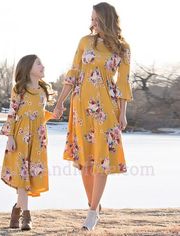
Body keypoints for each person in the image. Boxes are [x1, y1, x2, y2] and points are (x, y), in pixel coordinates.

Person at [54, 2, 133, 231]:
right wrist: (60, 102)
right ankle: (94, 206)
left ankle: (91, 212)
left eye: (97, 19)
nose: (93, 23)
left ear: (107, 19)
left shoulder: (122, 47)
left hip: (106, 107)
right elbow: (73, 73)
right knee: (85, 160)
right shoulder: (85, 41)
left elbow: (123, 82)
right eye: (91, 19)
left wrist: (123, 113)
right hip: (81, 106)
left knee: (102, 159)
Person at [0, 54, 55, 231]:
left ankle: (17, 209)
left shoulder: (44, 90)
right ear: (28, 67)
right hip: (20, 137)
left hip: (38, 138)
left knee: (29, 177)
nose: (43, 66)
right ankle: (26, 216)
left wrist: (53, 115)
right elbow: (12, 113)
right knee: (22, 177)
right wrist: (9, 137)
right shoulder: (19, 89)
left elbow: (39, 114)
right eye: (39, 63)